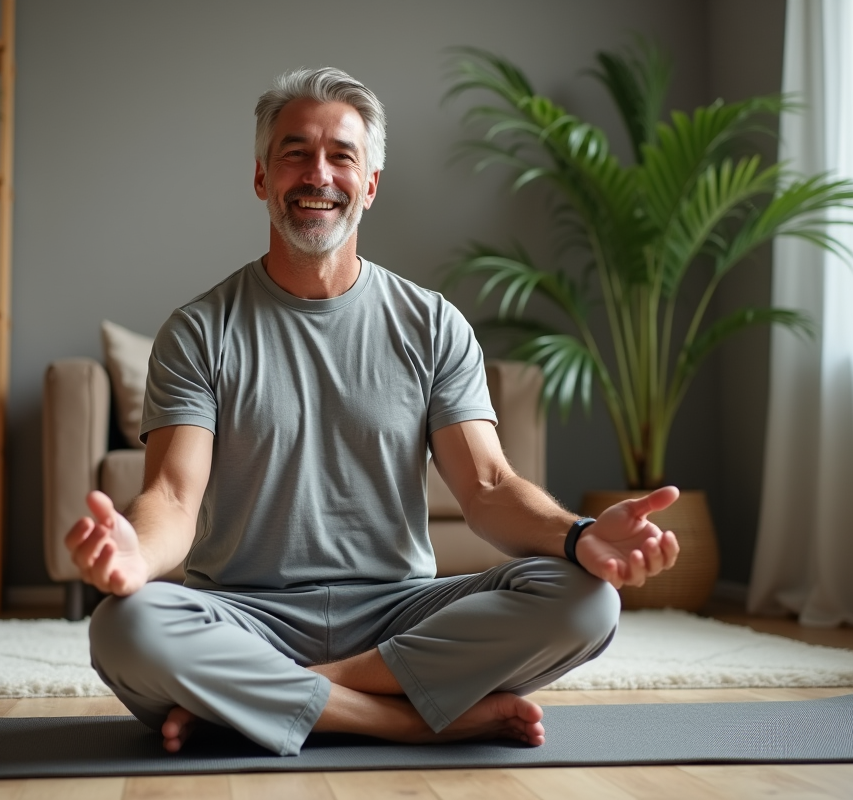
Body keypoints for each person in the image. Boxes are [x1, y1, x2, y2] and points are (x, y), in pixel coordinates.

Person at [66, 67, 680, 757]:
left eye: (341, 156)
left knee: (589, 601)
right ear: (263, 178)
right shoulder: (200, 330)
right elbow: (173, 497)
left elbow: (486, 489)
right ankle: (401, 717)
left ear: (371, 184)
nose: (316, 174)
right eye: (294, 153)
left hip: (400, 615)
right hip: (246, 614)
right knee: (126, 627)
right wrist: (134, 556)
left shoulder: (433, 324)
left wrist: (580, 535)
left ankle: (276, 699)